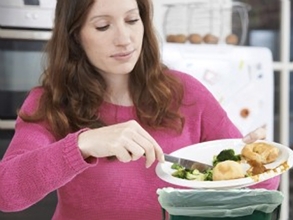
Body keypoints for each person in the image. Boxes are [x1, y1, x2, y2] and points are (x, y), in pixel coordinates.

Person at [0, 0, 279, 219]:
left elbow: (262, 187)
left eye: (132, 20)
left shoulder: (187, 93)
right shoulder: (50, 103)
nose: (124, 38)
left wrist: (258, 163)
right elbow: (6, 193)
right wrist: (82, 145)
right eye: (102, 26)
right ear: (75, 37)